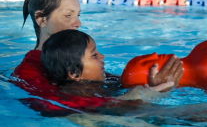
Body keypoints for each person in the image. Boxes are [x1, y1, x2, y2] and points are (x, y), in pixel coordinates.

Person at [12, 0, 183, 100]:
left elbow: (113, 84)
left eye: (78, 15)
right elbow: (55, 105)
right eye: (68, 15)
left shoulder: (81, 57)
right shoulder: (28, 72)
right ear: (41, 19)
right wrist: (128, 100)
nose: (78, 23)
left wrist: (154, 84)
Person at [41, 29, 174, 100]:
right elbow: (100, 110)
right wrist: (134, 97)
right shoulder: (75, 94)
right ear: (74, 73)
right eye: (94, 55)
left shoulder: (102, 80)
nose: (102, 56)